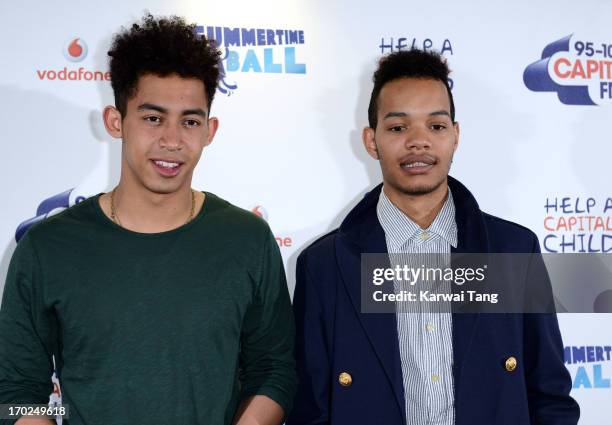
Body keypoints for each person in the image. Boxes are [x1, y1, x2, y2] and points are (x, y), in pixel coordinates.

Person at [0, 14, 295, 425]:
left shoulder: (247, 239)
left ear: (210, 130)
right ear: (115, 121)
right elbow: (12, 393)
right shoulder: (46, 248)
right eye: (153, 118)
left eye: (189, 121)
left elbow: (275, 370)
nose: (172, 141)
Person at [287, 49, 579, 425]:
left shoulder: (511, 251)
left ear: (455, 136)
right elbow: (309, 410)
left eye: (436, 126)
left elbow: (550, 398)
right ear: (371, 140)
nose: (418, 142)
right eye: (397, 127)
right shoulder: (325, 265)